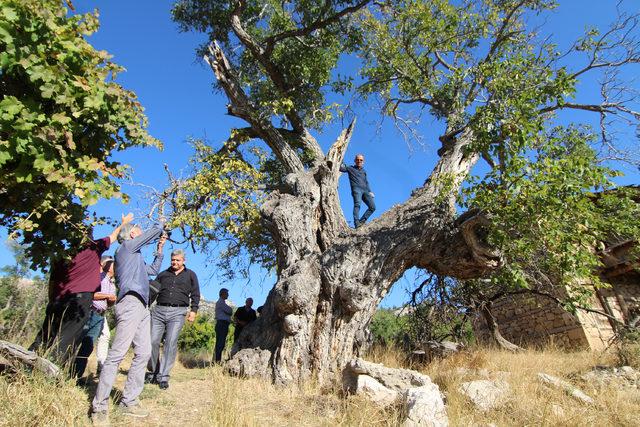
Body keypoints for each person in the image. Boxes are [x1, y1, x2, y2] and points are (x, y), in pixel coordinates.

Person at [30, 214, 132, 366]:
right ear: (88, 235)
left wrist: (52, 301)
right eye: (90, 233)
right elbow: (113, 236)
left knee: (45, 335)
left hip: (58, 300)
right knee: (67, 338)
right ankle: (48, 374)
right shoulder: (93, 248)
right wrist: (124, 223)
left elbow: (52, 282)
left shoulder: (62, 255)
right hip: (80, 300)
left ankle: (25, 363)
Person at [90, 219, 166, 424]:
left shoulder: (136, 257)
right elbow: (154, 231)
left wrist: (160, 250)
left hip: (143, 305)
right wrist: (161, 224)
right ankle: (99, 406)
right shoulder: (125, 248)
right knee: (117, 354)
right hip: (131, 302)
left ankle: (129, 401)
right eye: (137, 229)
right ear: (132, 234)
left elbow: (153, 270)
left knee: (144, 352)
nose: (140, 231)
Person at [146, 249, 200, 389]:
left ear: (184, 261)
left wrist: (193, 311)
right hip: (158, 311)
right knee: (152, 341)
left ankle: (163, 376)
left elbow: (195, 294)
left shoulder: (191, 275)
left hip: (178, 312)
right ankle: (153, 371)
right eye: (173, 260)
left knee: (170, 342)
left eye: (178, 260)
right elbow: (152, 292)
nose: (175, 262)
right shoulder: (163, 274)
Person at [73, 255, 117, 379]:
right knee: (77, 340)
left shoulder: (112, 284)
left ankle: (76, 375)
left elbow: (109, 303)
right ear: (108, 266)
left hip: (100, 316)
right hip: (89, 312)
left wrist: (112, 300)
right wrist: (107, 296)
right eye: (113, 265)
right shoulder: (99, 278)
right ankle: (64, 369)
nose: (116, 267)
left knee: (88, 346)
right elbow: (91, 294)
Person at [340, 154, 376, 228]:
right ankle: (357, 224)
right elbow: (341, 169)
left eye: (361, 160)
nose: (359, 161)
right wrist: (340, 160)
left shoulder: (364, 171)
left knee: (372, 207)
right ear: (355, 161)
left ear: (363, 161)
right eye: (357, 159)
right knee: (357, 205)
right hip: (356, 189)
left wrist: (370, 191)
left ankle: (361, 222)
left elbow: (366, 182)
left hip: (365, 190)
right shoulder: (350, 168)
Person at [213, 288, 233, 363]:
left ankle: (217, 360)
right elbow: (230, 311)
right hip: (222, 324)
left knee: (220, 342)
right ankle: (217, 361)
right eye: (226, 293)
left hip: (223, 324)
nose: (228, 295)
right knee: (220, 342)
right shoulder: (221, 303)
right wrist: (230, 310)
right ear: (222, 294)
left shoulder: (222, 303)